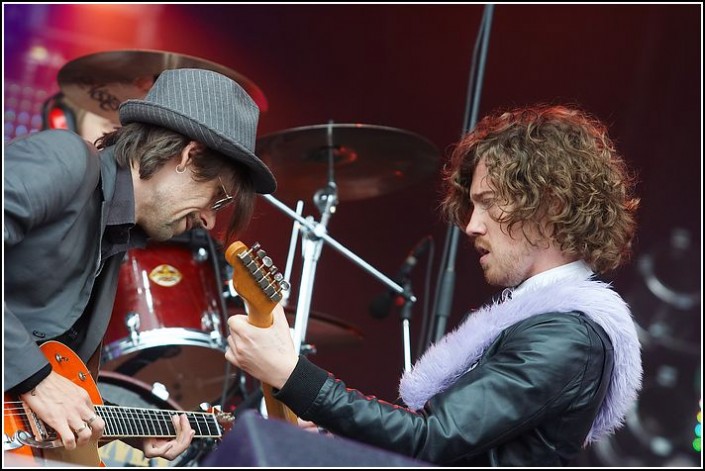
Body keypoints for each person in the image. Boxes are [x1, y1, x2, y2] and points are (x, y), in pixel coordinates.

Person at [224, 104, 643, 466]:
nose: (472, 225)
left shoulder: (568, 337)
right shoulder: (544, 327)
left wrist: (292, 374)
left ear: (548, 204)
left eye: (489, 203)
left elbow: (432, 438)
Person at [4, 68, 277, 461]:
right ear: (189, 155)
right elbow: (39, 378)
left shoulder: (114, 237)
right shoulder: (66, 160)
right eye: (217, 197)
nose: (210, 220)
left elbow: (46, 381)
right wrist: (38, 380)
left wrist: (119, 427)